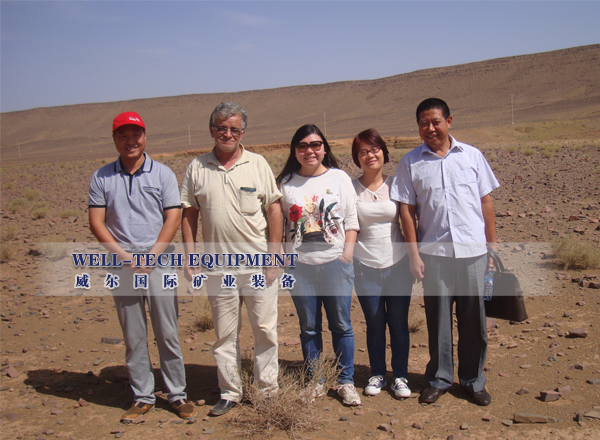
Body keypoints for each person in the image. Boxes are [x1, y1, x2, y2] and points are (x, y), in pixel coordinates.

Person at [88, 112, 196, 423]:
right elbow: (97, 222)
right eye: (123, 135)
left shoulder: (162, 174)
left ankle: (177, 394)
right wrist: (125, 257)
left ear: (145, 136)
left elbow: (172, 218)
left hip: (158, 262)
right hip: (121, 264)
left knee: (167, 331)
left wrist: (151, 256)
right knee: (133, 334)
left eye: (135, 134)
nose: (130, 141)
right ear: (114, 139)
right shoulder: (101, 177)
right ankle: (143, 396)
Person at [392, 98, 499, 407]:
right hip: (434, 255)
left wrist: (492, 246)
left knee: (473, 321)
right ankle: (439, 379)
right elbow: (407, 211)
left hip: (473, 252)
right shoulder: (410, 162)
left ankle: (473, 380)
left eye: (436, 122)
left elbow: (486, 202)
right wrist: (413, 254)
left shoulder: (472, 156)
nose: (430, 128)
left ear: (449, 121)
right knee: (438, 320)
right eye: (423, 123)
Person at [180, 102, 283, 416]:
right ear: (212, 130)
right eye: (221, 128)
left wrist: (275, 254)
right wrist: (189, 254)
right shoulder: (197, 167)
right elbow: (189, 213)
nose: (228, 134)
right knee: (225, 334)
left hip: (257, 266)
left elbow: (274, 209)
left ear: (242, 133)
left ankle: (267, 390)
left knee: (265, 330)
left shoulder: (257, 164)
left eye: (234, 129)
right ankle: (230, 392)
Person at [277, 124, 361, 406]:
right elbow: (278, 224)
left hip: (336, 263)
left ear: (324, 148)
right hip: (300, 266)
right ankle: (315, 381)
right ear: (295, 151)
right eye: (302, 146)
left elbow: (351, 221)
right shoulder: (286, 183)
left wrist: (346, 255)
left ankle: (345, 381)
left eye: (315, 144)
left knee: (341, 324)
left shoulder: (339, 178)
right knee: (309, 327)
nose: (309, 151)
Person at [350, 129, 413, 399]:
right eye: (363, 151)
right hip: (365, 266)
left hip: (398, 264)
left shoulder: (397, 184)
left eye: (374, 149)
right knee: (374, 323)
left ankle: (400, 376)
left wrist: (416, 256)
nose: (370, 155)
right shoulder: (350, 188)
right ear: (357, 158)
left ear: (384, 153)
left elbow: (408, 221)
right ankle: (377, 373)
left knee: (398, 323)